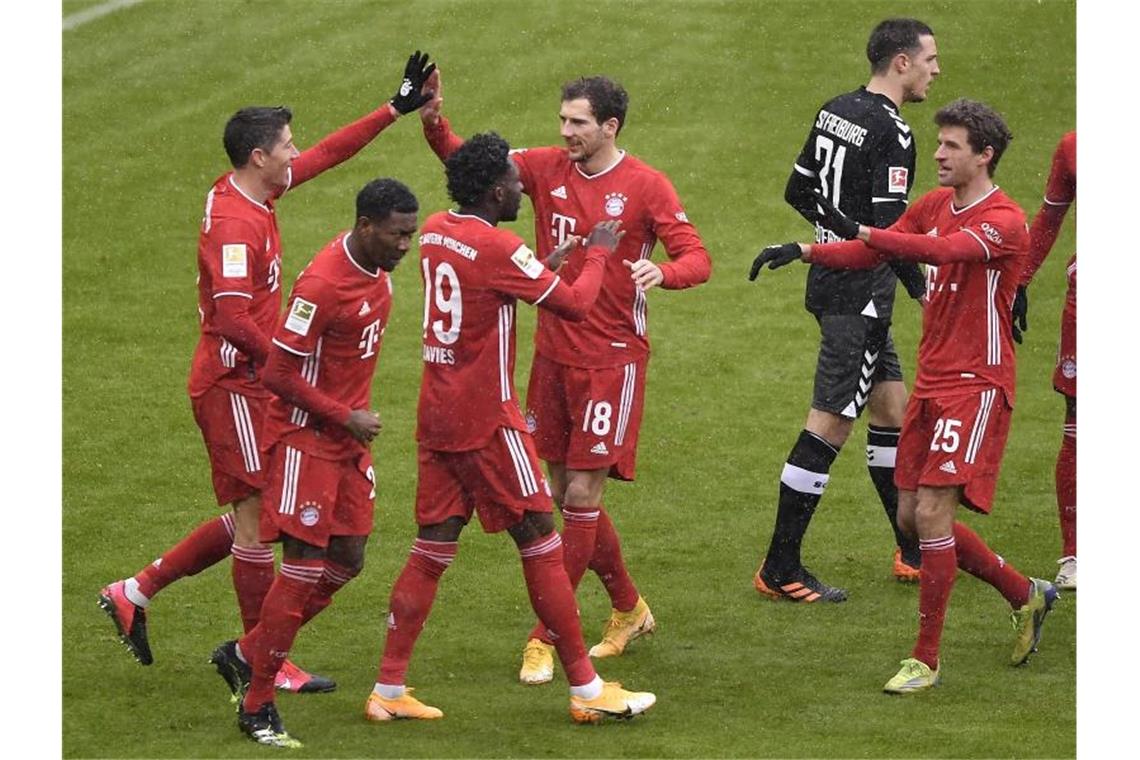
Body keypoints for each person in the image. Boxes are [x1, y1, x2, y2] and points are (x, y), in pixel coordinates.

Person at [97, 53, 436, 695]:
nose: (295, 152)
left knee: (265, 515)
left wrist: (393, 108)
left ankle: (135, 591)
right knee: (259, 522)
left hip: (255, 380)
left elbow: (328, 155)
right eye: (284, 145)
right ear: (258, 156)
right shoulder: (233, 225)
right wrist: (288, 360)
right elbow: (228, 318)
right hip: (234, 383)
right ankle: (262, 662)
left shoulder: (257, 192)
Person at [749, 98, 1059, 693]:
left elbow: (941, 252)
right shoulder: (935, 205)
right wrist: (807, 250)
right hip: (934, 378)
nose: (937, 153)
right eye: (938, 142)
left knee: (934, 513)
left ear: (984, 155)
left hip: (978, 383)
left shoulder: (1003, 220)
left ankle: (925, 658)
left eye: (950, 146)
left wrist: (860, 226)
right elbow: (881, 249)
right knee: (911, 519)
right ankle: (1026, 593)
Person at [418, 70, 712, 684]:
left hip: (611, 359)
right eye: (563, 120)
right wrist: (433, 122)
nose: (565, 132)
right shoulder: (547, 166)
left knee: (581, 497)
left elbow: (697, 257)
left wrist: (667, 275)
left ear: (610, 126)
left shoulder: (647, 186)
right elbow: (473, 169)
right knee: (561, 494)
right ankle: (629, 608)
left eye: (578, 122)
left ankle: (545, 637)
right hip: (553, 354)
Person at [364, 133, 655, 725]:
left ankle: (387, 690)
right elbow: (574, 303)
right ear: (496, 190)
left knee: (431, 549)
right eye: (516, 181)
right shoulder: (500, 245)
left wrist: (540, 266)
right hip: (488, 420)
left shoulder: (439, 231)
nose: (525, 186)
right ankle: (586, 687)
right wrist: (597, 251)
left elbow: (488, 290)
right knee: (543, 539)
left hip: (435, 414)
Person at [209, 178, 420, 747]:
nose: (405, 246)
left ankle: (248, 652)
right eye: (398, 235)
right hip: (306, 438)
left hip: (345, 442)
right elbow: (277, 373)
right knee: (303, 567)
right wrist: (342, 414)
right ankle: (258, 705)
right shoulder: (323, 284)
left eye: (411, 235)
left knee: (349, 557)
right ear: (366, 226)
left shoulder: (378, 270)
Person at [748, 19, 940, 603]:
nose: (937, 69)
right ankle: (780, 566)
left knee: (890, 407)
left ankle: (910, 551)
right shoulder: (894, 132)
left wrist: (836, 236)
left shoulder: (836, 108)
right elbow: (888, 232)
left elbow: (797, 192)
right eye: (930, 58)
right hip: (860, 291)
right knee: (830, 422)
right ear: (901, 64)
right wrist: (920, 285)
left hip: (832, 277)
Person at [1013, 131, 1077, 590]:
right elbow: (1050, 219)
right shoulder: (1074, 146)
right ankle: (1074, 555)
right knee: (1079, 423)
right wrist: (1020, 281)